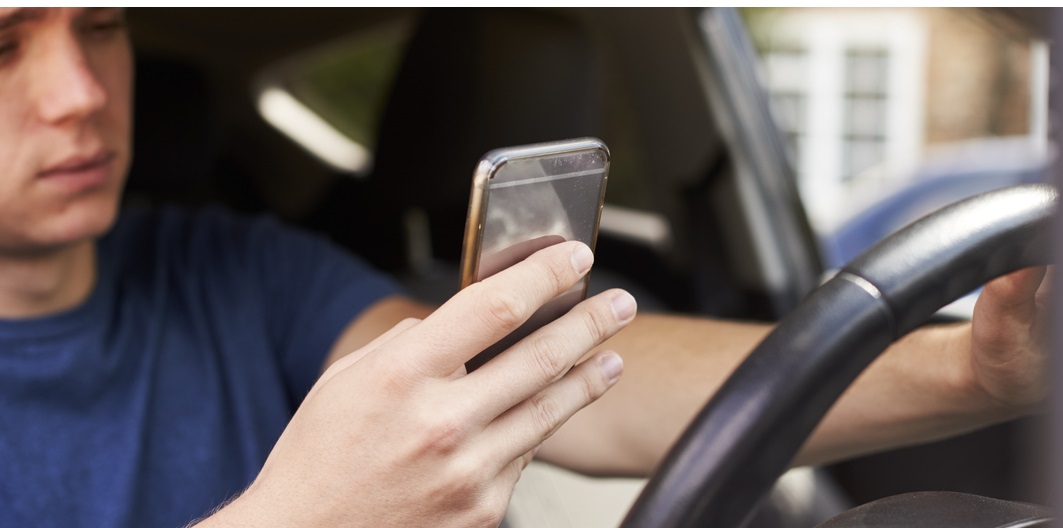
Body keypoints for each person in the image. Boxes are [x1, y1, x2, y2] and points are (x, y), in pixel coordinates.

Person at [0, 7, 1049, 528]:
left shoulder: (224, 267)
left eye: (102, 25)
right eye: (6, 45)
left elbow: (569, 387)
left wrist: (972, 369)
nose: (80, 91)